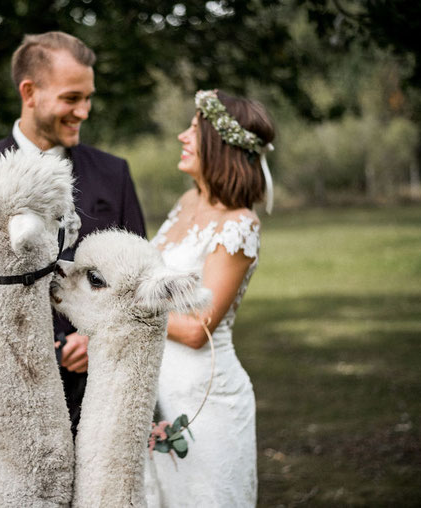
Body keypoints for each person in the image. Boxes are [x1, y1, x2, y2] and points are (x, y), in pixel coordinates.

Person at [0, 31, 146, 455]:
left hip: (98, 400)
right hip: (5, 404)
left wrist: (98, 339)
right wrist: (7, 351)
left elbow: (137, 283)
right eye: (71, 98)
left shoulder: (113, 174)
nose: (83, 110)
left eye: (88, 97)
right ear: (30, 92)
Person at [145, 89, 275, 507]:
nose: (183, 137)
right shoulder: (186, 203)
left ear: (219, 147)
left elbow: (196, 330)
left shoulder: (240, 225)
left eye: (194, 130)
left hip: (206, 399)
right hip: (158, 392)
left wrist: (126, 312)